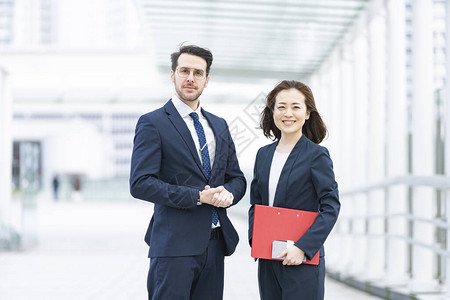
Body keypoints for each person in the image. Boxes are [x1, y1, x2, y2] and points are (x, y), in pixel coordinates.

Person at [129, 44, 247, 300]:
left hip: (214, 244)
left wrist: (229, 193)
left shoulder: (219, 125)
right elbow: (140, 183)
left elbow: (236, 177)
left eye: (198, 72)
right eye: (184, 71)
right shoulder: (153, 122)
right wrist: (196, 196)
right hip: (173, 246)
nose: (190, 78)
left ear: (207, 79)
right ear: (173, 75)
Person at [248, 80, 340, 300]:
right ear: (272, 112)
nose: (288, 113)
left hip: (302, 259)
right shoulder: (263, 155)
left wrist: (303, 248)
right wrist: (256, 238)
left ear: (307, 113)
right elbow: (257, 203)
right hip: (268, 257)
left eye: (296, 107)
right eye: (281, 107)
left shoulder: (317, 155)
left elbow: (331, 207)